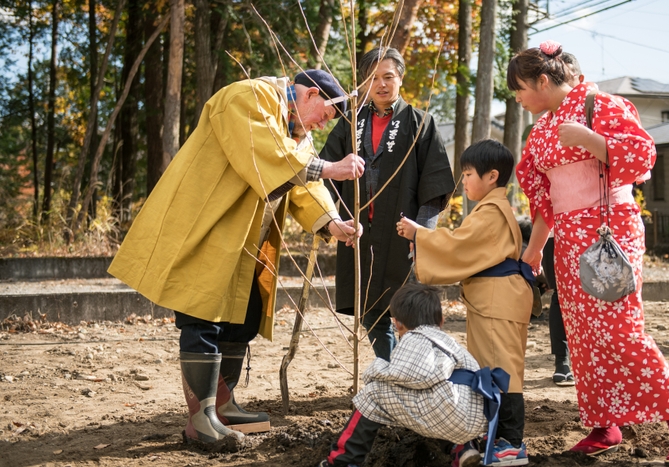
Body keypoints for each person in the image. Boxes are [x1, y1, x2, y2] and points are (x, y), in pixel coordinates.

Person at [108, 69, 366, 444]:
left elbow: (303, 184)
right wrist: (329, 167)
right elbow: (262, 154)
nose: (321, 128)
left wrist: (332, 224)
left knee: (241, 319)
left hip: (248, 242)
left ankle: (223, 407)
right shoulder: (247, 96)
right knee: (203, 319)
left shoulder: (296, 132)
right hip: (207, 228)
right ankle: (200, 420)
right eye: (324, 116)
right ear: (310, 94)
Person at [509, 40, 669, 466]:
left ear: (543, 80)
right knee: (581, 336)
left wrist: (590, 139)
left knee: (622, 330)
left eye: (520, 88)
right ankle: (603, 425)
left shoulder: (603, 105)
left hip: (609, 232)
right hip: (568, 238)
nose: (518, 98)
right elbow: (544, 202)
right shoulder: (540, 129)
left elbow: (641, 157)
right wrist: (534, 252)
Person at [398, 139, 533, 466]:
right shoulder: (498, 208)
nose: (464, 181)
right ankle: (500, 437)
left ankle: (511, 443)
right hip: (498, 298)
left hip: (496, 298)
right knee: (499, 367)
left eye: (469, 173)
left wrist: (420, 234)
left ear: (492, 177)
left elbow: (460, 246)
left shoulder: (490, 212)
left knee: (502, 370)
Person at [319, 47, 455, 361]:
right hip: (359, 231)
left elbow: (435, 185)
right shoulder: (352, 123)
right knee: (368, 305)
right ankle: (388, 364)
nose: (381, 84)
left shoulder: (420, 123)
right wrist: (331, 220)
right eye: (373, 78)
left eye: (388, 77)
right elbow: (325, 171)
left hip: (400, 231)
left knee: (407, 307)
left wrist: (421, 234)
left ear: (400, 78)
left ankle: (413, 369)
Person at [319, 283, 511, 467]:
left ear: (398, 324)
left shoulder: (415, 337)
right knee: (438, 395)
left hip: (446, 411)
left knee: (372, 394)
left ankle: (342, 460)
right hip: (475, 419)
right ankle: (463, 447)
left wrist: (376, 370)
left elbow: (413, 376)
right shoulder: (450, 342)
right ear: (441, 321)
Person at [542, 51, 583, 387]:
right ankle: (563, 359)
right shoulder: (542, 126)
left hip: (595, 229)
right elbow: (539, 192)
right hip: (555, 229)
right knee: (560, 295)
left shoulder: (598, 111)